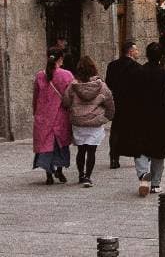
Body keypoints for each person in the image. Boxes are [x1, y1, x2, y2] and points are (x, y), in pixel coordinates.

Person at [63, 56, 115, 187]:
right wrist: (107, 117)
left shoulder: (73, 86)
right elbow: (109, 102)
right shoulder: (101, 85)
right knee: (91, 151)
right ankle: (88, 176)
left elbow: (66, 102)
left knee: (81, 150)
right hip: (95, 122)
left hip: (79, 122)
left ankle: (81, 175)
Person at [32, 47, 75, 185]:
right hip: (61, 115)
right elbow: (71, 96)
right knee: (61, 144)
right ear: (60, 59)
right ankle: (60, 171)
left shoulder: (40, 75)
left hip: (44, 116)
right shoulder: (67, 75)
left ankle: (49, 174)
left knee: (46, 145)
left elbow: (36, 97)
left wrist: (35, 112)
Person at [134, 42, 165, 196]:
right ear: (161, 56)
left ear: (146, 55)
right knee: (158, 149)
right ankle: (155, 183)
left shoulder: (138, 72)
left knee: (141, 146)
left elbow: (132, 95)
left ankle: (143, 174)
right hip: (161, 115)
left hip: (141, 114)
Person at [105, 39, 141, 169]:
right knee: (135, 129)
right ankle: (136, 154)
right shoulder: (137, 68)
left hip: (117, 101)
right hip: (132, 103)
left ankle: (114, 157)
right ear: (130, 52)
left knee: (116, 129)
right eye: (136, 50)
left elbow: (108, 84)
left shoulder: (112, 65)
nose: (138, 52)